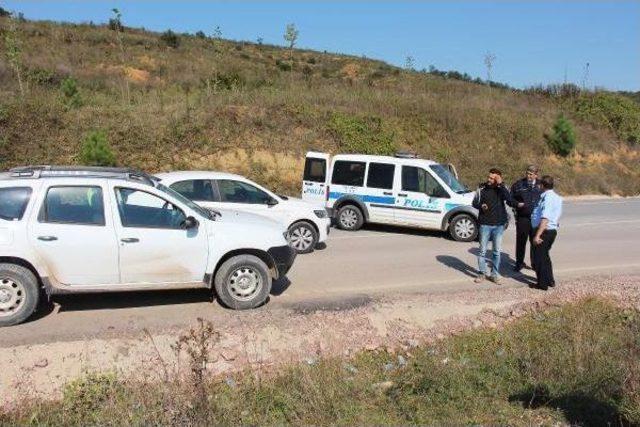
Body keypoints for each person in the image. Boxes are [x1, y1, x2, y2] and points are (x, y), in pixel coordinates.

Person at [472, 168, 514, 285]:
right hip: (485, 224)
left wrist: (500, 184)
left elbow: (509, 200)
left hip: (499, 225)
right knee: (482, 251)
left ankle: (495, 274)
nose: (489, 179)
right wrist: (481, 205)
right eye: (489, 177)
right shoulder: (481, 188)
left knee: (496, 252)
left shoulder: (502, 188)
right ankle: (482, 273)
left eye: (492, 178)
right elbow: (474, 202)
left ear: (498, 179)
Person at [531, 175, 563, 290]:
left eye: (539, 184)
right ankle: (550, 280)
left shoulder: (547, 198)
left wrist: (537, 235)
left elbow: (545, 218)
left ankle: (542, 284)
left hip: (544, 231)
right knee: (545, 257)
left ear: (542, 186)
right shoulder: (556, 197)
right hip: (551, 230)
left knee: (539, 258)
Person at [510, 165, 542, 272]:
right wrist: (517, 204)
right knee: (521, 242)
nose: (528, 176)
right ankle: (519, 263)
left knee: (535, 242)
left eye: (531, 174)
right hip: (523, 218)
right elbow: (509, 200)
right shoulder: (518, 185)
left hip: (536, 220)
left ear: (536, 175)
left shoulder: (541, 185)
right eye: (527, 173)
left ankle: (535, 263)